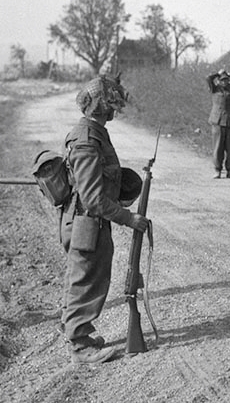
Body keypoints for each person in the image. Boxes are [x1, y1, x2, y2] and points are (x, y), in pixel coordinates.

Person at [59, 74, 149, 363]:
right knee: (86, 282)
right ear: (101, 106)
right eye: (112, 105)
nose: (114, 111)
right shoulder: (87, 139)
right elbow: (92, 198)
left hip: (88, 221)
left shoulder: (94, 132)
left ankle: (78, 334)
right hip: (87, 223)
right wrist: (128, 218)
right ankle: (80, 346)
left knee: (84, 279)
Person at [207, 69, 230, 179]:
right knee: (218, 148)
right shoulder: (215, 89)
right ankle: (217, 169)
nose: (224, 82)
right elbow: (208, 78)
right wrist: (218, 73)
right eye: (222, 80)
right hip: (217, 122)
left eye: (226, 80)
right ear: (218, 81)